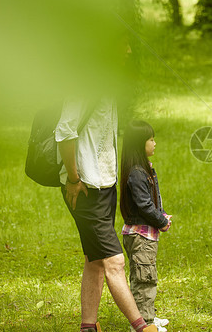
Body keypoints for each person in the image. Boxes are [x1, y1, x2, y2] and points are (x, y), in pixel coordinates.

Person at [56, 98, 157, 332]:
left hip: (105, 184)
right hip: (85, 187)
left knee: (95, 260)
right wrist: (73, 178)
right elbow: (63, 131)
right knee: (114, 260)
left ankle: (88, 326)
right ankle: (142, 327)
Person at [120, 120, 172, 332]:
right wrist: (162, 221)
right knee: (145, 280)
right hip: (142, 237)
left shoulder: (142, 169)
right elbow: (144, 205)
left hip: (142, 235)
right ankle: (144, 324)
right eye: (150, 139)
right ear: (139, 144)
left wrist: (161, 214)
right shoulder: (137, 173)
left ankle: (146, 316)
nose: (154, 143)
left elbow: (149, 203)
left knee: (142, 276)